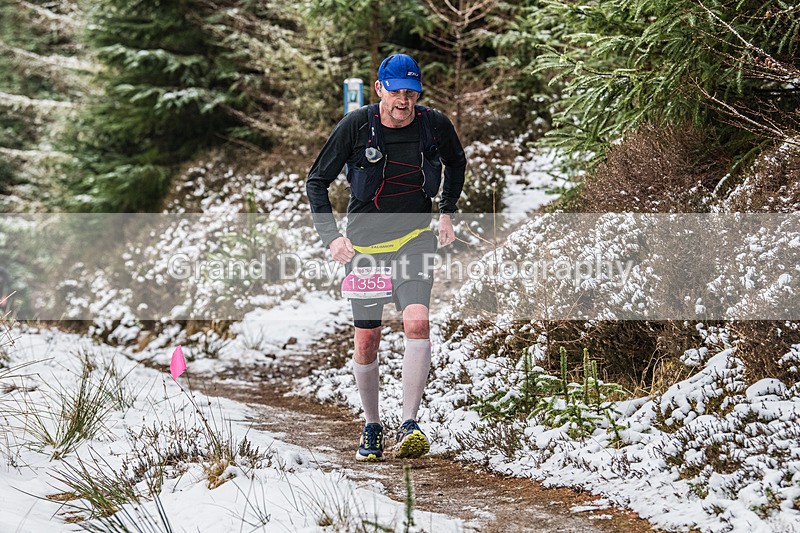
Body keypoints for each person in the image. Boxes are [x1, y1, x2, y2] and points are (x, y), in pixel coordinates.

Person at [306, 53, 466, 461]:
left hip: (414, 238)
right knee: (367, 340)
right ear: (380, 89)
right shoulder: (356, 126)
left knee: (417, 320)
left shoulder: (433, 123)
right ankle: (373, 425)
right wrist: (332, 238)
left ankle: (409, 424)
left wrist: (446, 211)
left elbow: (456, 161)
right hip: (364, 249)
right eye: (396, 91)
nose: (404, 100)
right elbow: (317, 181)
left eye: (411, 92)